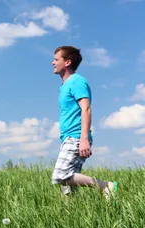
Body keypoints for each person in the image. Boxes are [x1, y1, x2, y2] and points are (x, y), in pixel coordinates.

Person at [51, 46, 118, 200]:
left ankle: (105, 186)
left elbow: (86, 109)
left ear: (67, 62)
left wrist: (84, 139)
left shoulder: (77, 82)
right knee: (68, 187)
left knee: (61, 175)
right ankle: (70, 217)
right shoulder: (64, 86)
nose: (52, 62)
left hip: (76, 137)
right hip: (68, 137)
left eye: (56, 59)